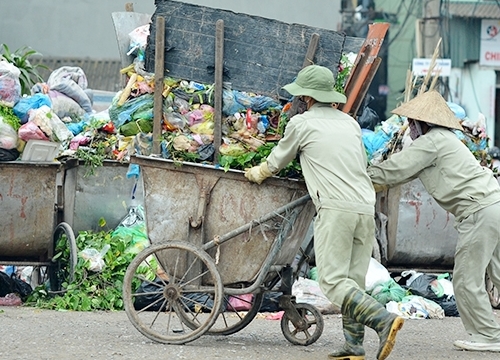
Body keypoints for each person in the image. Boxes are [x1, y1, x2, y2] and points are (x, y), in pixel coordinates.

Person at [244, 64, 404, 360]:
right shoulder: (350, 123)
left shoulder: (302, 124)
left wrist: (255, 173)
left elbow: (275, 162)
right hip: (364, 207)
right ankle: (354, 345)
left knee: (332, 282)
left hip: (335, 208)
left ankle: (382, 320)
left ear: (305, 98)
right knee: (352, 282)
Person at [367, 90, 500, 352]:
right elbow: (401, 174)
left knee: (465, 279)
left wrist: (358, 176)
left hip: (478, 211)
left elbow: (395, 171)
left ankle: (489, 336)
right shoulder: (444, 140)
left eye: (412, 123)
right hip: (492, 204)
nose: (409, 128)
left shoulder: (431, 143)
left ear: (422, 124)